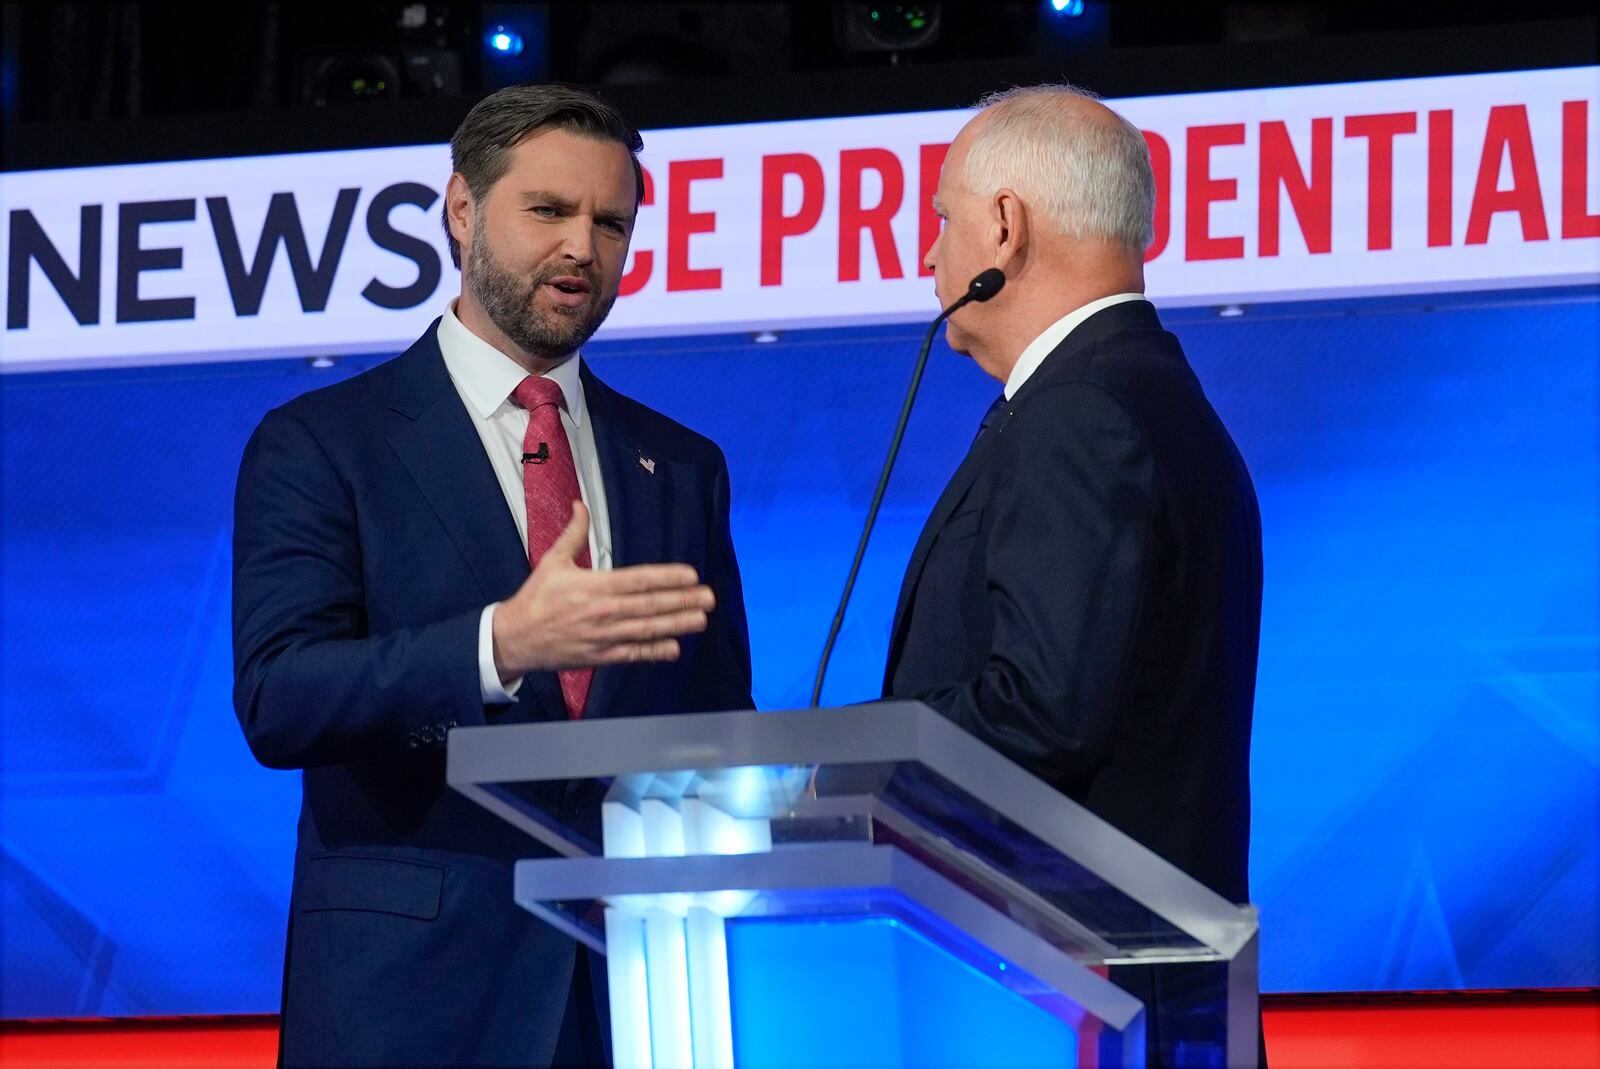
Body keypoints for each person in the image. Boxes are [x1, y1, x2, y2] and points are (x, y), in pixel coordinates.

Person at [232, 84, 753, 1068]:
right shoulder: (323, 444)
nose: (582, 249)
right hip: (411, 1003)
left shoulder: (681, 466)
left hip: (632, 1001)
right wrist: (499, 646)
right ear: (462, 212)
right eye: (549, 211)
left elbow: (714, 729)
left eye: (611, 223)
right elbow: (278, 697)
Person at [883, 85, 1264, 1065]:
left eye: (940, 219)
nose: (926, 254)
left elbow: (1042, 712)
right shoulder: (1147, 395)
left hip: (1073, 1006)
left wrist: (848, 764)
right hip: (1128, 1000)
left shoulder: (1082, 411)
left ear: (1003, 226)